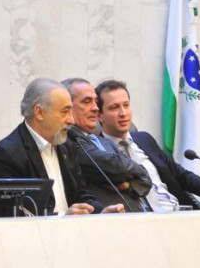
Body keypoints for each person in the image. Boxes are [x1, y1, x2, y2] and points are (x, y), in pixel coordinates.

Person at [95, 79, 200, 211]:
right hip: (144, 220)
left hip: (178, 211)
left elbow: (180, 174)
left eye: (126, 105)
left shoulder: (144, 139)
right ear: (99, 115)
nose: (123, 113)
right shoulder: (97, 151)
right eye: (114, 107)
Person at [0, 78, 125, 215]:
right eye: (64, 112)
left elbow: (81, 194)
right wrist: (62, 217)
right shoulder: (7, 154)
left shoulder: (66, 145)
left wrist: (101, 212)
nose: (71, 119)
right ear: (39, 112)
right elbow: (8, 215)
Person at [60, 78, 152, 211]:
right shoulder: (69, 140)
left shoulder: (105, 142)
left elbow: (146, 180)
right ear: (66, 107)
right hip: (107, 221)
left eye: (95, 102)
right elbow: (114, 167)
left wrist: (128, 185)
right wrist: (137, 173)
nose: (95, 108)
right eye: (87, 101)